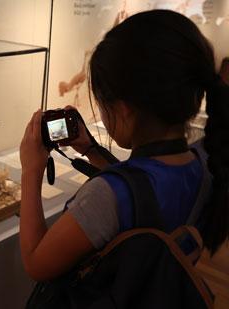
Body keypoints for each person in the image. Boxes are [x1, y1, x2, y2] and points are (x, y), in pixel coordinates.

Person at [19, 9, 229, 282]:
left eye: (102, 105)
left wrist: (30, 171)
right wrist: (92, 150)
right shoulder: (203, 165)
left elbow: (36, 263)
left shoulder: (104, 197)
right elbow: (144, 195)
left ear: (124, 109)